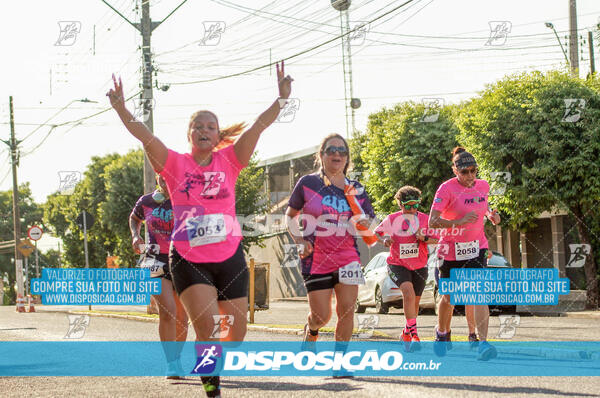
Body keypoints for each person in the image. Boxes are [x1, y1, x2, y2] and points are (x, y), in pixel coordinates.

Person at [108, 61, 293, 397]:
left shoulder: (231, 161)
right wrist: (122, 109)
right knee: (206, 328)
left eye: (211, 126)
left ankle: (209, 358)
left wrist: (280, 100)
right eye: (198, 126)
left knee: (236, 332)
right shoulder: (175, 163)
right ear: (189, 134)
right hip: (189, 258)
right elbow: (144, 135)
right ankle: (212, 390)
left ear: (217, 134)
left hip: (229, 256)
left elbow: (258, 127)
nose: (205, 130)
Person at [285, 133, 376, 362]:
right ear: (321, 155)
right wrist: (300, 241)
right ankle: (312, 330)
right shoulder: (308, 183)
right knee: (321, 316)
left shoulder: (356, 189)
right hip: (315, 258)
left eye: (342, 151)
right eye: (331, 150)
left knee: (347, 310)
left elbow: (369, 222)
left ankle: (340, 362)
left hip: (348, 257)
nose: (337, 154)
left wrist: (366, 225)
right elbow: (290, 216)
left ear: (347, 158)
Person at [428, 147, 501, 361]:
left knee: (479, 293)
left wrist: (492, 216)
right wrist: (457, 222)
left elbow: (484, 207)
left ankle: (483, 343)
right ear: (455, 171)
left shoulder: (483, 186)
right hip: (450, 251)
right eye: (465, 172)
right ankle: (442, 333)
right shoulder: (446, 189)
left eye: (473, 171)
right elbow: (433, 221)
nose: (470, 176)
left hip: (476, 247)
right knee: (449, 297)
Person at [130, 174, 189, 379]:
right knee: (168, 311)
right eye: (163, 180)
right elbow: (134, 218)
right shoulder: (146, 201)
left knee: (182, 316)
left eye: (172, 179)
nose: (167, 183)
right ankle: (171, 363)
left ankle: (176, 358)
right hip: (154, 261)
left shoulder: (186, 198)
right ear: (157, 180)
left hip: (184, 261)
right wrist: (135, 235)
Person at [375, 186, 438, 352]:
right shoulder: (392, 219)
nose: (412, 209)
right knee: (408, 293)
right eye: (408, 205)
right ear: (400, 204)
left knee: (415, 302)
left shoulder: (425, 219)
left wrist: (424, 238)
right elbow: (377, 233)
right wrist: (385, 239)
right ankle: (415, 334)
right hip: (397, 264)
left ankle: (406, 332)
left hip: (419, 265)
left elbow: (438, 239)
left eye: (415, 205)